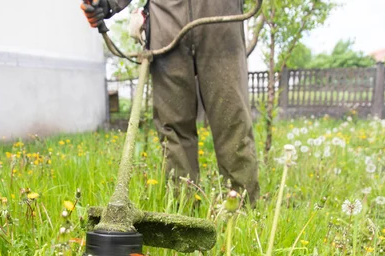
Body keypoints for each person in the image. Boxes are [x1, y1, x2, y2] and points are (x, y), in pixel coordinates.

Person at [81, 0, 260, 204]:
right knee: (172, 127)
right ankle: (183, 215)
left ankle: (242, 214)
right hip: (166, 22)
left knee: (232, 119)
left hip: (221, 20)